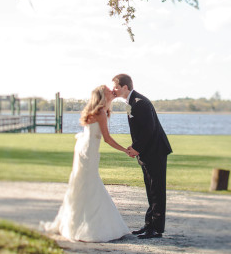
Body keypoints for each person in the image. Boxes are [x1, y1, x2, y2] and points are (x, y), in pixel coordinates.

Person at [41, 85, 131, 242]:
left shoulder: (96, 111)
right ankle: (90, 226)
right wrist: (125, 150)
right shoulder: (101, 112)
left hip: (84, 150)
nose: (113, 92)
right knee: (89, 184)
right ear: (103, 96)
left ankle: (76, 222)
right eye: (110, 91)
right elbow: (107, 138)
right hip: (89, 152)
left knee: (82, 184)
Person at [112, 73, 172, 239]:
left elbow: (149, 129)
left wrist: (136, 148)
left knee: (156, 190)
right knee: (150, 189)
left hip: (155, 151)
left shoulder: (140, 102)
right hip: (147, 151)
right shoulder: (130, 102)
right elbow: (139, 129)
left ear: (125, 87)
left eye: (116, 87)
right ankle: (149, 225)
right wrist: (134, 147)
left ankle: (156, 229)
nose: (114, 90)